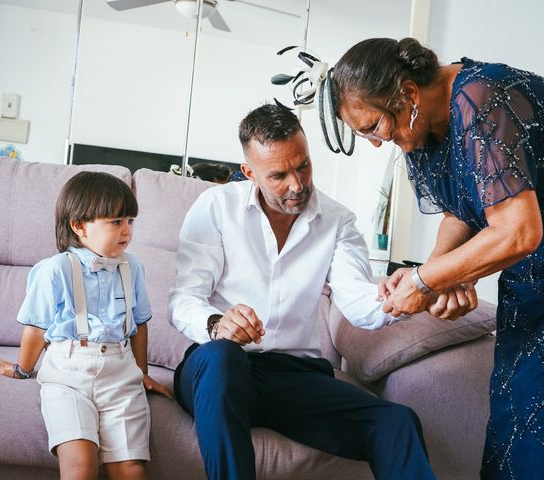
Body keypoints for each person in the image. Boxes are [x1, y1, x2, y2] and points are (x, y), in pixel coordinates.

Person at [330, 37, 544, 479]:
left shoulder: (482, 97)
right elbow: (458, 212)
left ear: (407, 94)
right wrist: (437, 274)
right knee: (510, 417)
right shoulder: (422, 129)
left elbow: (520, 229)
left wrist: (428, 280)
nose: (374, 142)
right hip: (532, 275)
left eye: (373, 127)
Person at [169, 103, 438, 480]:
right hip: (218, 373)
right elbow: (183, 299)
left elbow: (359, 302)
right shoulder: (215, 207)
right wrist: (217, 324)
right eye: (278, 175)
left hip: (294, 377)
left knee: (395, 422)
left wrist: (404, 293)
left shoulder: (338, 221)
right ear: (250, 173)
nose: (297, 185)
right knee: (223, 357)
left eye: (303, 165)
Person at [0, 171, 173, 480]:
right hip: (68, 375)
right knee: (80, 466)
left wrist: (142, 373)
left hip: (121, 375)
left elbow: (139, 324)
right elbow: (36, 328)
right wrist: (22, 369)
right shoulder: (54, 269)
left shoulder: (133, 266)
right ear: (79, 225)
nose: (126, 231)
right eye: (116, 222)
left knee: (129, 468)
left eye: (130, 221)